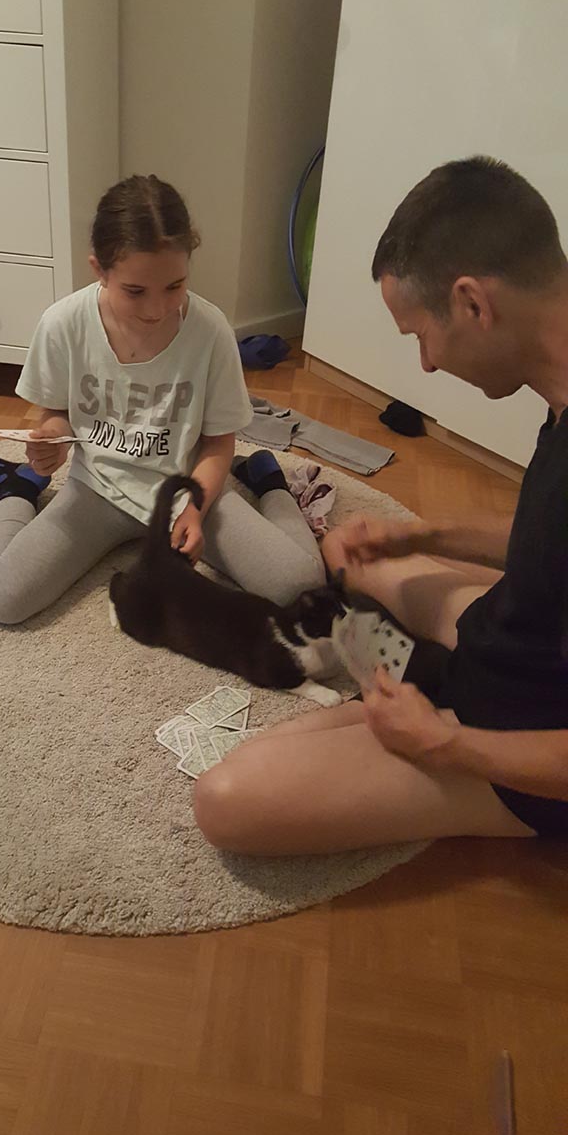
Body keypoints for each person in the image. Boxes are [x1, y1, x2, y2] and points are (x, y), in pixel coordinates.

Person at [194, 156, 568, 853]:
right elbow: (551, 534)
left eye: (421, 335)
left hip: (523, 747)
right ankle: (423, 672)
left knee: (223, 800)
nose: (426, 363)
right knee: (354, 558)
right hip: (514, 642)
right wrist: (424, 536)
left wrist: (446, 744)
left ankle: (444, 738)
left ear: (473, 303)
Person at [0, 175, 324, 625]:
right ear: (99, 269)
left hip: (185, 489)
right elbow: (57, 414)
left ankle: (270, 482)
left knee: (302, 586)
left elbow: (218, 442)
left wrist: (195, 507)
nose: (156, 309)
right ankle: (18, 492)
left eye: (174, 286)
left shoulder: (211, 331)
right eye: (135, 291)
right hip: (97, 487)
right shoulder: (64, 324)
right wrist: (52, 443)